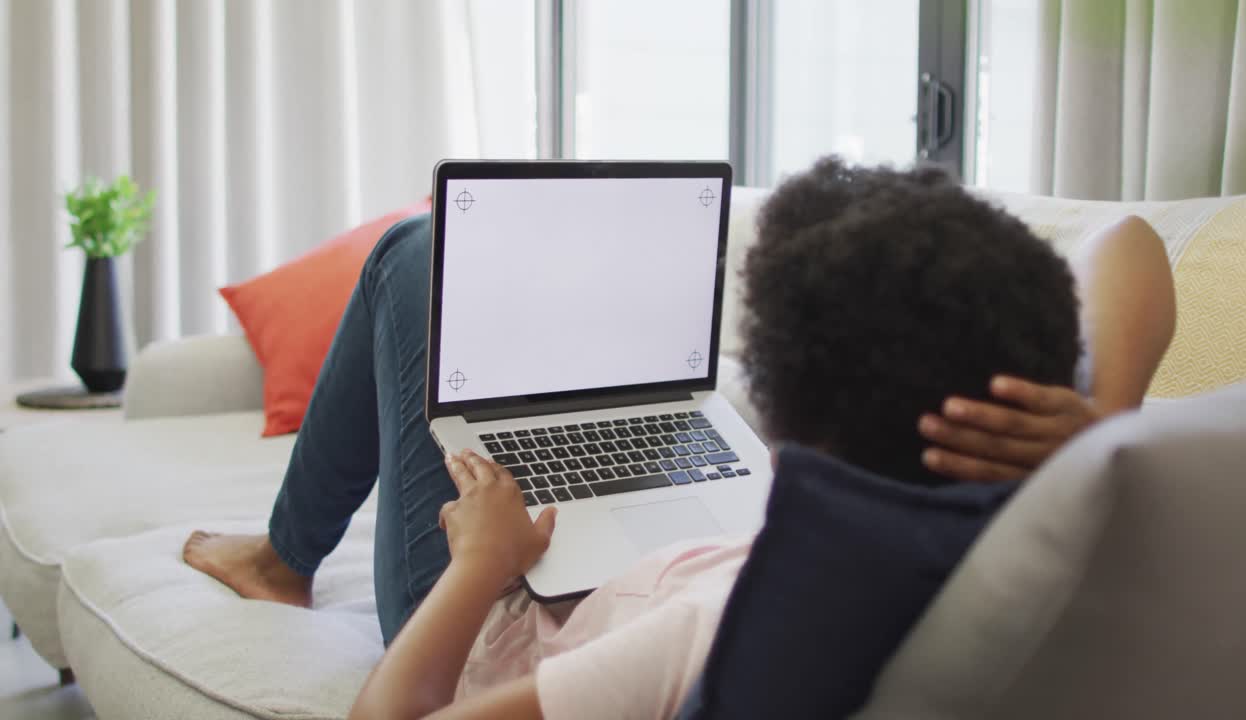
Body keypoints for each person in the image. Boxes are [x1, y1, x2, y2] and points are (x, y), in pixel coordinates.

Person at [183, 158, 1176, 719]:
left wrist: (480, 564)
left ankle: (283, 559)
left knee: (412, 252)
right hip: (645, 546)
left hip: (493, 608)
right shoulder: (1037, 507)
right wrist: (1100, 432)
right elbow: (1125, 243)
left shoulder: (719, 633)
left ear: (781, 433)